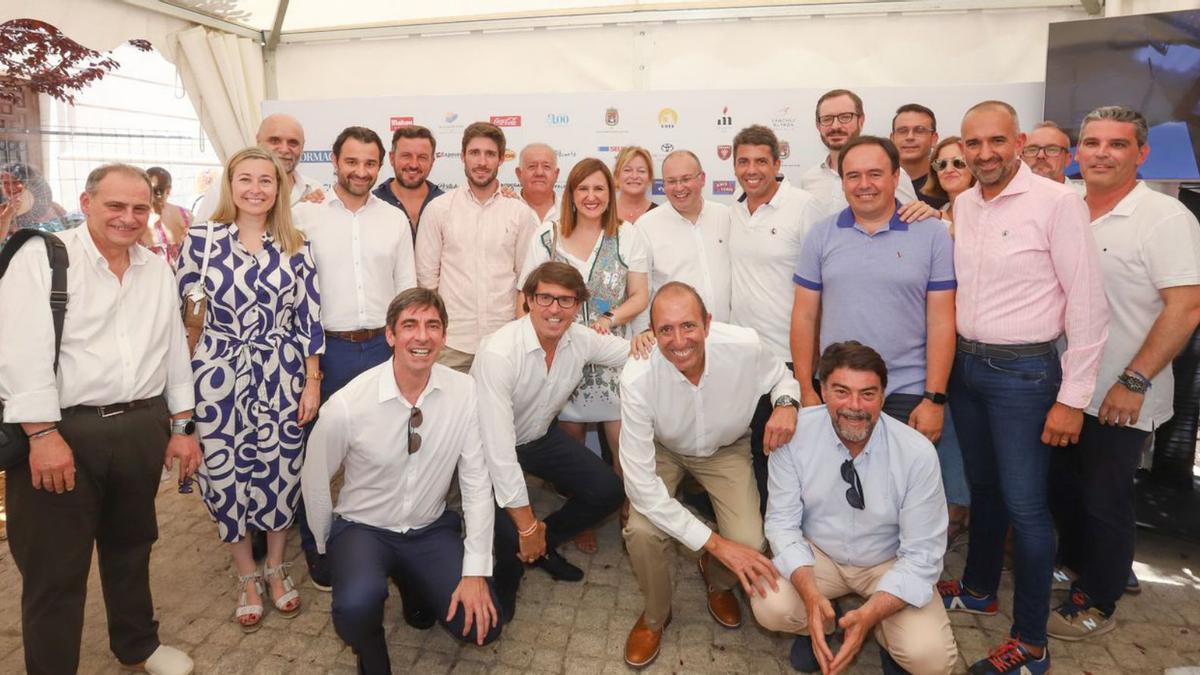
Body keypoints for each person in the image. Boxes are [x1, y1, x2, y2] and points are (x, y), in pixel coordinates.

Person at [0, 163, 200, 674]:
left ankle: (138, 645)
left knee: (132, 546)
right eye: (115, 205)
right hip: (62, 433)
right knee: (55, 570)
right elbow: (17, 351)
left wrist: (181, 428)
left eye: (140, 208)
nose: (128, 218)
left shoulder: (156, 267)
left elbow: (172, 348)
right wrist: (42, 434)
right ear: (87, 203)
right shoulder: (43, 259)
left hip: (140, 427)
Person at [937, 100, 1108, 675]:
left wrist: (1072, 398)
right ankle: (980, 588)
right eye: (973, 143)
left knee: (1027, 509)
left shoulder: (1058, 203)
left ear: (1019, 142)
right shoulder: (963, 202)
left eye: (996, 141)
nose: (984, 154)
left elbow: (1087, 305)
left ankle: (1031, 646)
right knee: (983, 490)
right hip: (968, 368)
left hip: (1027, 375)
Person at [1048, 106, 1200, 640]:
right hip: (1064, 385)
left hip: (1122, 392)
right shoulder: (1064, 205)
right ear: (1077, 152)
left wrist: (1134, 381)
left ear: (1142, 153)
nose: (1101, 154)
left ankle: (1099, 598)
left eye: (1116, 144)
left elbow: (1186, 307)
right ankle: (1072, 566)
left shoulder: (1165, 218)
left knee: (1105, 499)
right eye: (1091, 143)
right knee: (1063, 489)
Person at [303, 288, 503, 673]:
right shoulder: (348, 405)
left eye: (433, 326)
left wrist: (475, 570)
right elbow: (314, 481)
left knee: (481, 626)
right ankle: (372, 651)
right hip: (365, 528)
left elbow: (477, 483)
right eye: (409, 325)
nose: (422, 336)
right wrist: (329, 545)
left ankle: (412, 580)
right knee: (355, 609)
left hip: (428, 528)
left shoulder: (464, 393)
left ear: (444, 336)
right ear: (390, 335)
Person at [177, 146, 325, 632]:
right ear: (230, 183)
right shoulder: (201, 241)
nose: (256, 188)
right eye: (246, 179)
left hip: (281, 373)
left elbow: (309, 318)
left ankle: (277, 569)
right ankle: (246, 576)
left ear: (279, 189)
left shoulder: (296, 243)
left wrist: (312, 383)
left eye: (266, 180)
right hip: (216, 376)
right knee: (224, 477)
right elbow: (185, 323)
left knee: (281, 473)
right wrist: (182, 401)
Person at [619, 282, 799, 668]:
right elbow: (639, 486)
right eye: (665, 329)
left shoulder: (745, 345)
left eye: (688, 326)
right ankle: (655, 616)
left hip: (725, 448)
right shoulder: (636, 377)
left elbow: (781, 379)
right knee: (641, 530)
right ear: (651, 332)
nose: (678, 340)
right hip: (664, 448)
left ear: (708, 324)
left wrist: (785, 404)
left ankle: (717, 580)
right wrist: (715, 542)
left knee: (750, 538)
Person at [790, 135, 962, 537]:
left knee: (903, 506)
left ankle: (899, 589)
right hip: (836, 391)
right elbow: (804, 315)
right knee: (833, 502)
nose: (864, 183)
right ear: (842, 182)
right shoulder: (821, 235)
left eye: (874, 174)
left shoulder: (931, 234)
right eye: (853, 175)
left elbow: (941, 321)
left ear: (896, 176)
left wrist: (934, 398)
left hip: (907, 392)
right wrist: (807, 388)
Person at [752, 341, 957, 675]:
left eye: (868, 394)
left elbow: (923, 554)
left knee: (931, 659)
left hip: (888, 561)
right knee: (770, 605)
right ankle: (823, 619)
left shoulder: (916, 453)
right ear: (822, 389)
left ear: (884, 395)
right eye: (842, 392)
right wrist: (810, 594)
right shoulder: (795, 436)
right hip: (820, 554)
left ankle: (878, 629)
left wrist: (872, 613)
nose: (855, 406)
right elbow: (782, 525)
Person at [292, 125, 417, 588]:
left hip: (385, 350)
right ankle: (319, 548)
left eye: (369, 163)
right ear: (336, 162)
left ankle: (387, 545)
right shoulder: (306, 216)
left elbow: (407, 289)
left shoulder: (393, 219)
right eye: (352, 162)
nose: (361, 171)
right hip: (328, 352)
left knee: (390, 452)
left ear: (378, 165)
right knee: (319, 458)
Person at [473, 262, 629, 618]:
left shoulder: (580, 339)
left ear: (578, 307)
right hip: (488, 450)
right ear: (528, 300)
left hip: (538, 438)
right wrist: (525, 524)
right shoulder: (499, 353)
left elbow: (630, 353)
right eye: (545, 298)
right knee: (511, 533)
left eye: (566, 301)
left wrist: (650, 340)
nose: (555, 309)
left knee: (608, 489)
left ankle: (544, 542)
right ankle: (505, 582)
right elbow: (498, 453)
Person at [517, 158, 650, 552]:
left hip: (613, 354)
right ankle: (584, 513)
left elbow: (641, 294)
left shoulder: (627, 235)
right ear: (571, 195)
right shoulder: (547, 236)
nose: (591, 197)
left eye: (599, 189)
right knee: (572, 447)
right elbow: (526, 296)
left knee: (623, 445)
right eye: (583, 189)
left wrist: (611, 318)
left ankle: (628, 508)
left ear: (610, 195)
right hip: (563, 353)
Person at [727, 124, 822, 513]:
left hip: (789, 355)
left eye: (761, 161)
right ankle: (766, 538)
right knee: (756, 450)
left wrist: (808, 373)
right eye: (743, 161)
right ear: (732, 165)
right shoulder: (729, 212)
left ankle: (792, 539)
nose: (752, 170)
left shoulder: (803, 206)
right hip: (744, 356)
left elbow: (821, 287)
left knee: (789, 455)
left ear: (777, 163)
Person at [415, 121, 540, 372]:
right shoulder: (439, 209)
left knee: (502, 412)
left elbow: (526, 282)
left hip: (504, 341)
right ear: (462, 156)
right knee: (450, 411)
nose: (482, 162)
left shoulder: (520, 213)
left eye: (490, 154)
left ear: (501, 159)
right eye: (474, 153)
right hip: (451, 344)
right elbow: (427, 281)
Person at [634, 150, 732, 331]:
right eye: (671, 181)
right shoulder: (646, 226)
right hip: (676, 340)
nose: (679, 188)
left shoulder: (725, 215)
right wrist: (644, 334)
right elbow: (641, 292)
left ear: (702, 178)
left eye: (686, 179)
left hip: (726, 336)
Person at [798, 89, 918, 217]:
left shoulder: (889, 173)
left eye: (845, 117)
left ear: (861, 120)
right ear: (818, 125)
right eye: (827, 119)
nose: (835, 126)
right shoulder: (809, 179)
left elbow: (912, 222)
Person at [193, 113, 325, 222]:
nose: (284, 149)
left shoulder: (315, 190)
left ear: (302, 147)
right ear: (258, 140)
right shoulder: (226, 186)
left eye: (293, 143)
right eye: (274, 140)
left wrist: (306, 212)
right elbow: (202, 238)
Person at [372, 125, 444, 241]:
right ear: (391, 158)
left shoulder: (446, 204)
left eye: (422, 157)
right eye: (406, 156)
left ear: (432, 161)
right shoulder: (372, 203)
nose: (413, 164)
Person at [0, 162, 78, 246]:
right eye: (6, 183)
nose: (10, 187)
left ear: (28, 183)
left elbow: (69, 229)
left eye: (15, 182)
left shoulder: (52, 207)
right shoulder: (3, 210)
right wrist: (8, 214)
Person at [891, 103, 948, 209]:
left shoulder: (946, 182)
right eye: (902, 131)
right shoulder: (880, 183)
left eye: (919, 130)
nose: (910, 137)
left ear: (934, 139)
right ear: (892, 138)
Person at [142, 166, 192, 266]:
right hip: (183, 273)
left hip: (153, 275)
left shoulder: (138, 217)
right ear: (168, 190)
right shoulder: (186, 215)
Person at [922, 136, 977, 225]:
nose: (948, 170)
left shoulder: (986, 208)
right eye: (941, 164)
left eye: (958, 162)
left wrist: (943, 221)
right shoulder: (940, 210)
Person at [1022, 121, 1079, 190]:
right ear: (1022, 157)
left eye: (1051, 149)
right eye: (1032, 149)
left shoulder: (1082, 198)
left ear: (1068, 159)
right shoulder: (1008, 197)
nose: (1041, 155)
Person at [516, 143, 560, 225]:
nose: (539, 173)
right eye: (532, 166)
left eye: (546, 166)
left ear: (556, 174)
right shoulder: (505, 209)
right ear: (519, 173)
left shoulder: (571, 211)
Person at [613, 146, 658, 223]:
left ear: (650, 177)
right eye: (627, 170)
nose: (634, 176)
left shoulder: (659, 215)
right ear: (617, 175)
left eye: (641, 171)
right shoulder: (604, 212)